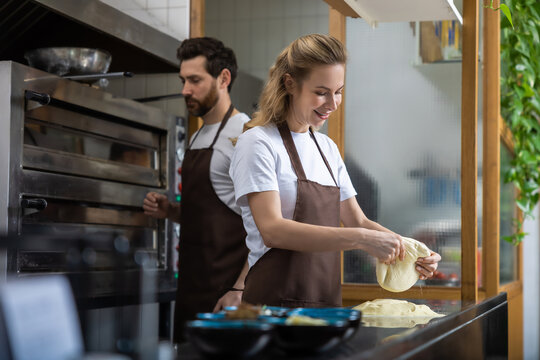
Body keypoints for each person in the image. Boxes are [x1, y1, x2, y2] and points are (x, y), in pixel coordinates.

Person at [230, 34, 441, 307]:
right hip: (272, 306)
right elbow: (273, 230)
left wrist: (411, 251)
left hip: (326, 305)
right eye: (321, 92)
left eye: (338, 91)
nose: (332, 104)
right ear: (290, 84)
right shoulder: (258, 143)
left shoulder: (326, 148)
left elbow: (358, 222)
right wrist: (362, 240)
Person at [142, 37, 249, 342]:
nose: (185, 90)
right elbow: (208, 215)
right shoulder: (198, 135)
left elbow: (263, 227)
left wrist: (239, 289)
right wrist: (170, 211)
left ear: (223, 78)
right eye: (183, 80)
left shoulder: (245, 136)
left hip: (226, 298)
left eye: (195, 80)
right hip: (190, 291)